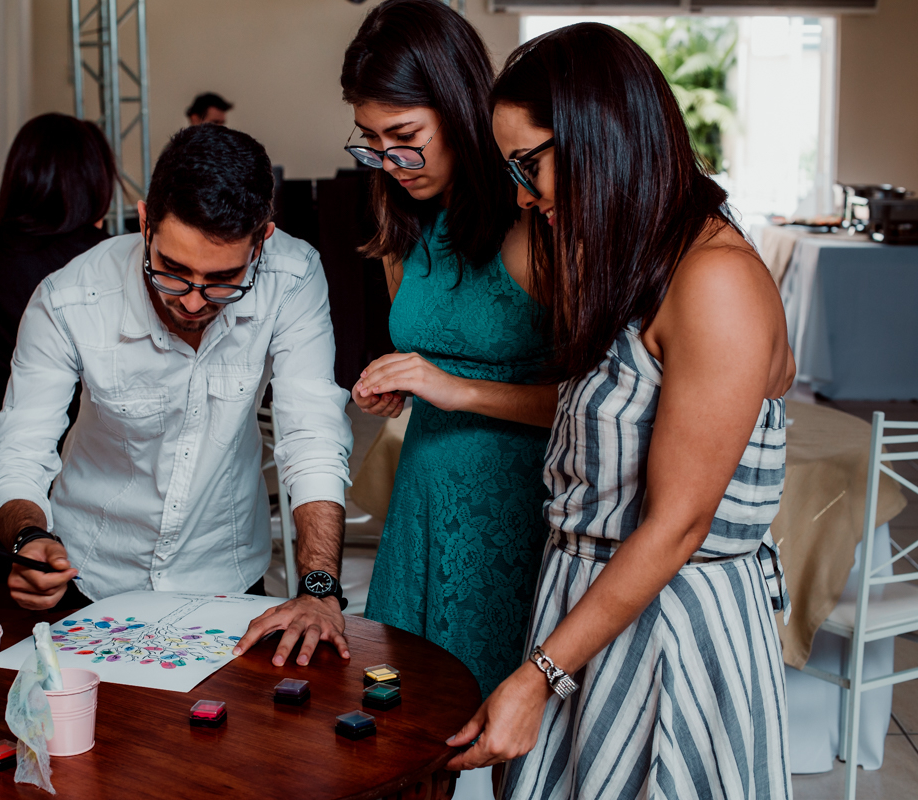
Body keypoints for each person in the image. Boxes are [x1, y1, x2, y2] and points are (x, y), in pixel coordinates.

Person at [446, 24, 796, 800]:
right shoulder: (626, 258)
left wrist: (537, 677)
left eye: (530, 164)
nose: (522, 194)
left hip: (672, 626)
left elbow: (677, 525)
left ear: (600, 137)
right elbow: (601, 423)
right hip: (585, 610)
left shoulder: (715, 281)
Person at [0, 123, 356, 667]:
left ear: (262, 241)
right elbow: (18, 451)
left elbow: (311, 435)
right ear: (144, 222)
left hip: (226, 574)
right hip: (91, 575)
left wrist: (320, 586)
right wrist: (29, 536)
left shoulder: (293, 277)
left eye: (223, 278)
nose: (195, 302)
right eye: (173, 271)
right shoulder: (69, 299)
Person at [340, 0, 557, 698]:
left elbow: (595, 405)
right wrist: (399, 386)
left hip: (518, 508)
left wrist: (455, 388)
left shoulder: (539, 218)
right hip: (422, 504)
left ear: (459, 107)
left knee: (497, 716)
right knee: (404, 711)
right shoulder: (402, 219)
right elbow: (429, 361)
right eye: (370, 141)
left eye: (405, 136)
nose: (389, 161)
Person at [0, 112, 115, 601]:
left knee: (10, 573)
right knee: (83, 573)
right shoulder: (106, 256)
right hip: (82, 425)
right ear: (94, 181)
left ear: (21, 176)